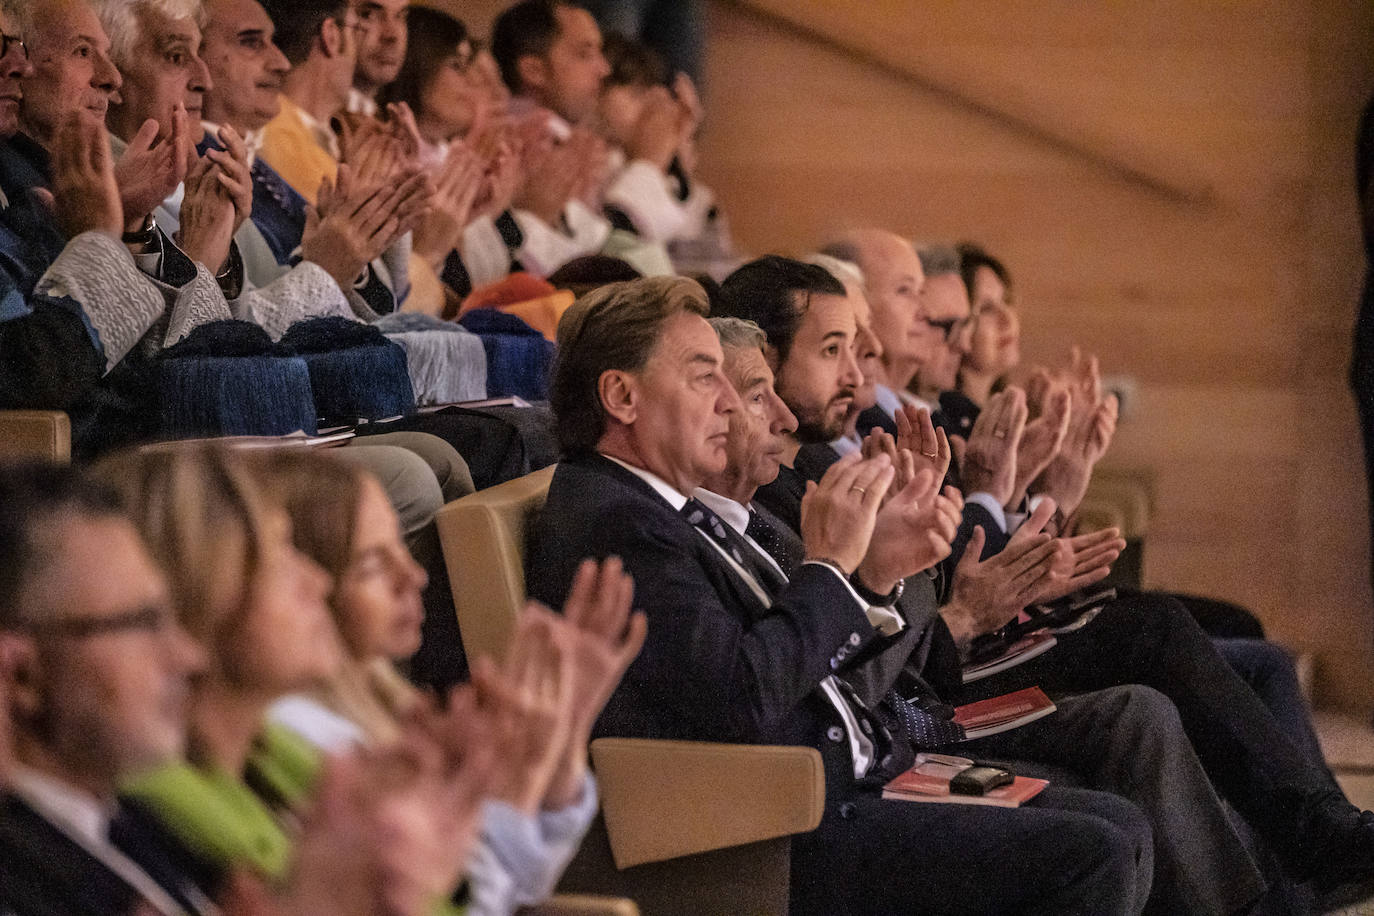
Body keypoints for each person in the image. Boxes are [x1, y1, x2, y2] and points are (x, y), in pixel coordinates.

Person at [719, 249, 1374, 905]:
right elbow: (897, 612)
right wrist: (976, 528)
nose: (870, 354)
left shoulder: (838, 454)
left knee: (1211, 663)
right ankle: (1312, 852)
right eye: (839, 345)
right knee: (1151, 660)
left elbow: (915, 582)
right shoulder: (799, 476)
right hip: (915, 697)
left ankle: (1307, 864)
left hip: (924, 671)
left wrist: (1027, 499)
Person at [526, 275, 1154, 915]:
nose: (728, 405)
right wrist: (831, 568)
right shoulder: (619, 521)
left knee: (1121, 827)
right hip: (775, 826)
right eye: (702, 377)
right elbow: (742, 697)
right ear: (621, 396)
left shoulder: (661, 505)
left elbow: (796, 667)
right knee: (1094, 849)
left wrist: (876, 575)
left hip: (841, 770)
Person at [0, 461, 493, 916]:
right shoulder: (32, 878)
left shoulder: (117, 831)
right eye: (144, 623)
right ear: (22, 676)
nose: (186, 656)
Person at [256, 450, 644, 915]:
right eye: (372, 565)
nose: (413, 576)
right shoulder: (309, 736)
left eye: (401, 548)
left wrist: (570, 725)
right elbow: (475, 901)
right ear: (304, 585)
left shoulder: (384, 699)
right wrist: (511, 785)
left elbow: (525, 884)